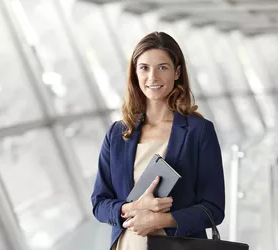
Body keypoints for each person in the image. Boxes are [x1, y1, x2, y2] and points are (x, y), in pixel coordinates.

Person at [91, 31, 225, 250]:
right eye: (144, 68)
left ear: (177, 72)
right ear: (135, 73)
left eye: (162, 67)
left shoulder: (199, 131)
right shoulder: (117, 134)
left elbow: (213, 209)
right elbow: (99, 203)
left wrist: (160, 220)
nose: (152, 77)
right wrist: (131, 208)